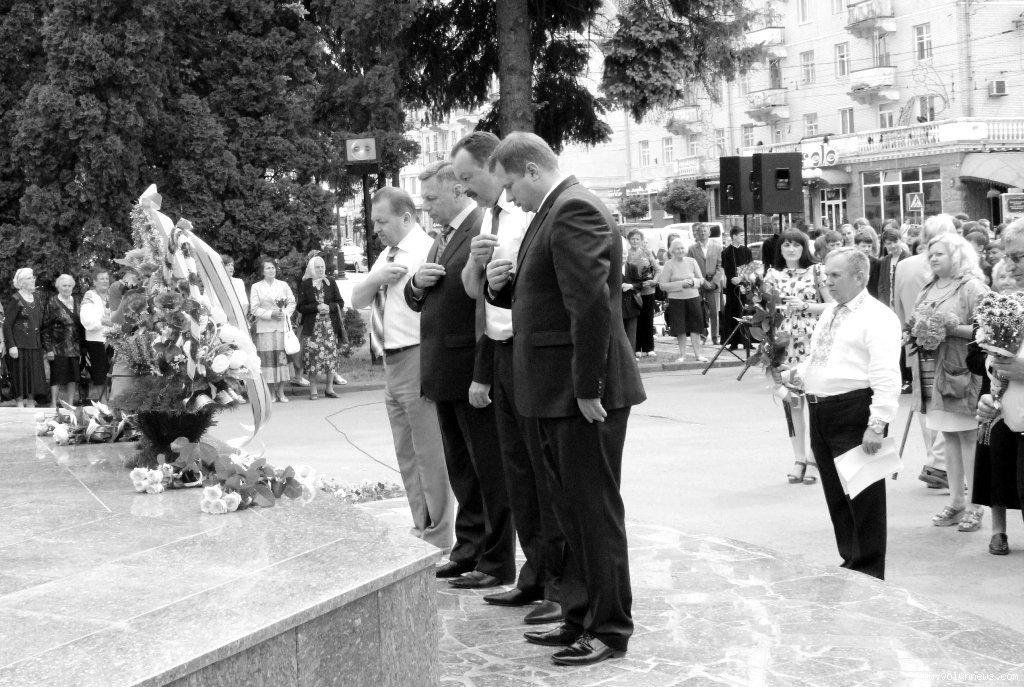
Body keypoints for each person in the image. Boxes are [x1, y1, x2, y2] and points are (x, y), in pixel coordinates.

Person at [486, 132, 646, 666]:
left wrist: (587, 387)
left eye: (511, 185)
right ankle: (578, 615)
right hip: (553, 390)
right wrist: (500, 286)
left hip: (580, 394)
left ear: (532, 170)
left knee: (593, 511)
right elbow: (549, 294)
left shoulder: (574, 208)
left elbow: (591, 306)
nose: (509, 198)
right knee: (570, 511)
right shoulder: (552, 209)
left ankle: (609, 628)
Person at [454, 130, 564, 626]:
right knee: (517, 472)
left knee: (544, 473)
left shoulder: (528, 209)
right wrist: (478, 266)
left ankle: (559, 584)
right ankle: (533, 574)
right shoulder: (489, 217)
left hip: (529, 349)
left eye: (468, 177)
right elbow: (474, 295)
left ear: (493, 168)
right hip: (499, 349)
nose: (465, 187)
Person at [405, 160, 514, 589]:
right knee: (462, 471)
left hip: (471, 370)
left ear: (456, 190)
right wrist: (416, 284)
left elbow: (488, 310)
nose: (426, 206)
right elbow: (423, 299)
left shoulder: (480, 229)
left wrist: (481, 374)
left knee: (488, 470)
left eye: (432, 197)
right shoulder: (442, 236)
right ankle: (468, 549)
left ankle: (496, 560)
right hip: (442, 370)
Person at [781, 248, 901, 580]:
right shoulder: (832, 311)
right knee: (837, 495)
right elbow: (820, 358)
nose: (828, 282)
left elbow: (886, 375)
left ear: (860, 277)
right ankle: (851, 561)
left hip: (855, 409)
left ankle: (869, 571)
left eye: (835, 275)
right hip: (821, 410)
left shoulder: (878, 316)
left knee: (864, 497)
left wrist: (877, 423)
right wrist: (795, 375)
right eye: (826, 275)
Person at [352, 186, 455, 554]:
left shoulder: (427, 250)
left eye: (382, 221)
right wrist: (376, 278)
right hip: (391, 359)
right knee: (406, 452)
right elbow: (358, 299)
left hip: (417, 354)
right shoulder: (388, 254)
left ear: (407, 217)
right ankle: (422, 525)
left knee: (429, 452)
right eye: (374, 222)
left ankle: (439, 535)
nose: (376, 229)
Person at [914, 233, 988, 532]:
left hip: (962, 371)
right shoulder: (928, 287)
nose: (932, 258)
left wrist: (949, 328)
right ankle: (956, 502)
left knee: (968, 438)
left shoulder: (972, 286)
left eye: (939, 253)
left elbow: (987, 331)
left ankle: (975, 506)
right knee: (949, 437)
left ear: (956, 255)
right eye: (930, 253)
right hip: (933, 371)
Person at [764, 230, 832, 485]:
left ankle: (815, 458)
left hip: (812, 341)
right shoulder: (772, 275)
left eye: (796, 245)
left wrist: (806, 306)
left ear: (805, 248)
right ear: (780, 249)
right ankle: (799, 458)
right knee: (792, 401)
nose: (791, 249)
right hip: (784, 343)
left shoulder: (817, 271)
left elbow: (832, 305)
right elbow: (764, 310)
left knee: (814, 400)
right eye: (786, 245)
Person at [894, 215, 954, 490]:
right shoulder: (951, 266)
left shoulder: (904, 265)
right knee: (949, 403)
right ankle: (940, 464)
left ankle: (935, 462)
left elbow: (898, 307)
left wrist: (907, 336)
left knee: (925, 405)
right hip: (947, 346)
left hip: (915, 344)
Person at [296, 254, 348, 399]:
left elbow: (340, 302)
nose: (320, 269)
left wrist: (329, 307)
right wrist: (317, 307)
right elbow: (300, 307)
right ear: (311, 268)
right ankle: (313, 390)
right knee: (312, 358)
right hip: (313, 329)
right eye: (317, 267)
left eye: (322, 267)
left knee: (331, 358)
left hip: (329, 328)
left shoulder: (330, 281)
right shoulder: (306, 284)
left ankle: (329, 389)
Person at [249, 258, 296, 403]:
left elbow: (292, 302)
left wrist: (285, 314)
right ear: (262, 271)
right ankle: (271, 392)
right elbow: (254, 309)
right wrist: (271, 314)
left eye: (273, 268)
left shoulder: (283, 285)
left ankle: (281, 391)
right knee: (268, 360)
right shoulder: (256, 287)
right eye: (268, 268)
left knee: (282, 360)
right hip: (265, 329)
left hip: (281, 328)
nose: (271, 270)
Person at [658, 238, 706, 363]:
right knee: (680, 328)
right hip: (676, 300)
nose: (680, 251)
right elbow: (662, 285)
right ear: (672, 251)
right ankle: (682, 355)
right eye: (677, 249)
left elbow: (701, 279)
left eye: (682, 248)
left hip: (693, 298)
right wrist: (681, 284)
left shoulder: (692, 261)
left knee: (695, 327)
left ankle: (698, 355)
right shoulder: (669, 264)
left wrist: (693, 282)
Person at [4, 268, 47, 407]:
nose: (33, 280)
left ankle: (31, 402)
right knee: (20, 375)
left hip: (34, 344)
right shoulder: (16, 299)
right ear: (21, 282)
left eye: (33, 277)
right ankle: (19, 403)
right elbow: (7, 324)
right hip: (19, 345)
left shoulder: (37, 297)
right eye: (29, 278)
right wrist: (11, 346)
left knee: (33, 375)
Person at [42, 274, 83, 408]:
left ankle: (70, 404)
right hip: (58, 347)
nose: (67, 288)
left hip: (74, 346)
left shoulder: (77, 301)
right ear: (58, 287)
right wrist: (48, 349)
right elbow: (45, 327)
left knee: (73, 377)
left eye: (69, 285)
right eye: (64, 285)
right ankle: (54, 403)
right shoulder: (52, 302)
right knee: (57, 377)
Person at [79, 266, 113, 402]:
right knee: (100, 374)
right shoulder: (90, 296)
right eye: (101, 279)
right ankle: (103, 404)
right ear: (95, 281)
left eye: (106, 278)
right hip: (96, 340)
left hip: (113, 339)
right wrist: (103, 321)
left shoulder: (112, 295)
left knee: (113, 373)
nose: (105, 281)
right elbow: (86, 319)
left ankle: (112, 401)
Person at [625, 229, 660, 358]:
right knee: (636, 321)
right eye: (632, 239)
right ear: (629, 240)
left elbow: (657, 270)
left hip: (648, 291)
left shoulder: (647, 252)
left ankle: (649, 347)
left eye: (637, 239)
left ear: (641, 240)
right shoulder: (626, 254)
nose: (635, 241)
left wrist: (654, 281)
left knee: (648, 319)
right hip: (633, 292)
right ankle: (637, 347)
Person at [688, 223, 725, 344]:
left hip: (714, 283)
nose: (703, 233)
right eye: (701, 231)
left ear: (709, 233)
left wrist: (714, 281)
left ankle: (715, 337)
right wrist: (701, 281)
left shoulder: (718, 247)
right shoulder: (692, 249)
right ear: (697, 234)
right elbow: (690, 267)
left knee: (714, 312)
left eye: (705, 231)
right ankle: (702, 336)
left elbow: (721, 266)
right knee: (701, 312)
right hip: (699, 284)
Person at [722, 227, 753, 349]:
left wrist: (742, 278)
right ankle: (733, 342)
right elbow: (727, 268)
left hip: (745, 284)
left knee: (746, 311)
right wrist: (734, 278)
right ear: (734, 236)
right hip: (733, 287)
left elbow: (750, 266)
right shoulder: (726, 252)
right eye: (741, 235)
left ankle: (747, 341)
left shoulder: (747, 250)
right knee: (734, 311)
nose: (743, 238)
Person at [853, 229, 881, 298]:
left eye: (869, 246)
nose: (867, 249)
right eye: (864, 246)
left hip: (872, 296)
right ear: (856, 246)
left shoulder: (877, 263)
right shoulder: (851, 262)